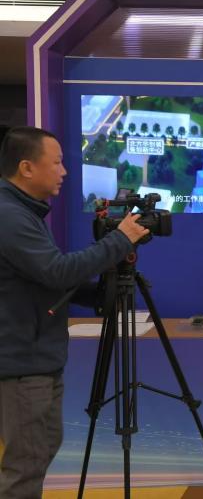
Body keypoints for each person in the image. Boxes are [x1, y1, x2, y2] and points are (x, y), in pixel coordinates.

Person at [0, 126, 149, 498]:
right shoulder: (10, 216)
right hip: (22, 362)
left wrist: (99, 293)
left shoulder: (24, 212)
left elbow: (45, 280)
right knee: (26, 465)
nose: (64, 171)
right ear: (26, 168)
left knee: (41, 450)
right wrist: (121, 239)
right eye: (57, 163)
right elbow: (57, 271)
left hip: (37, 357)